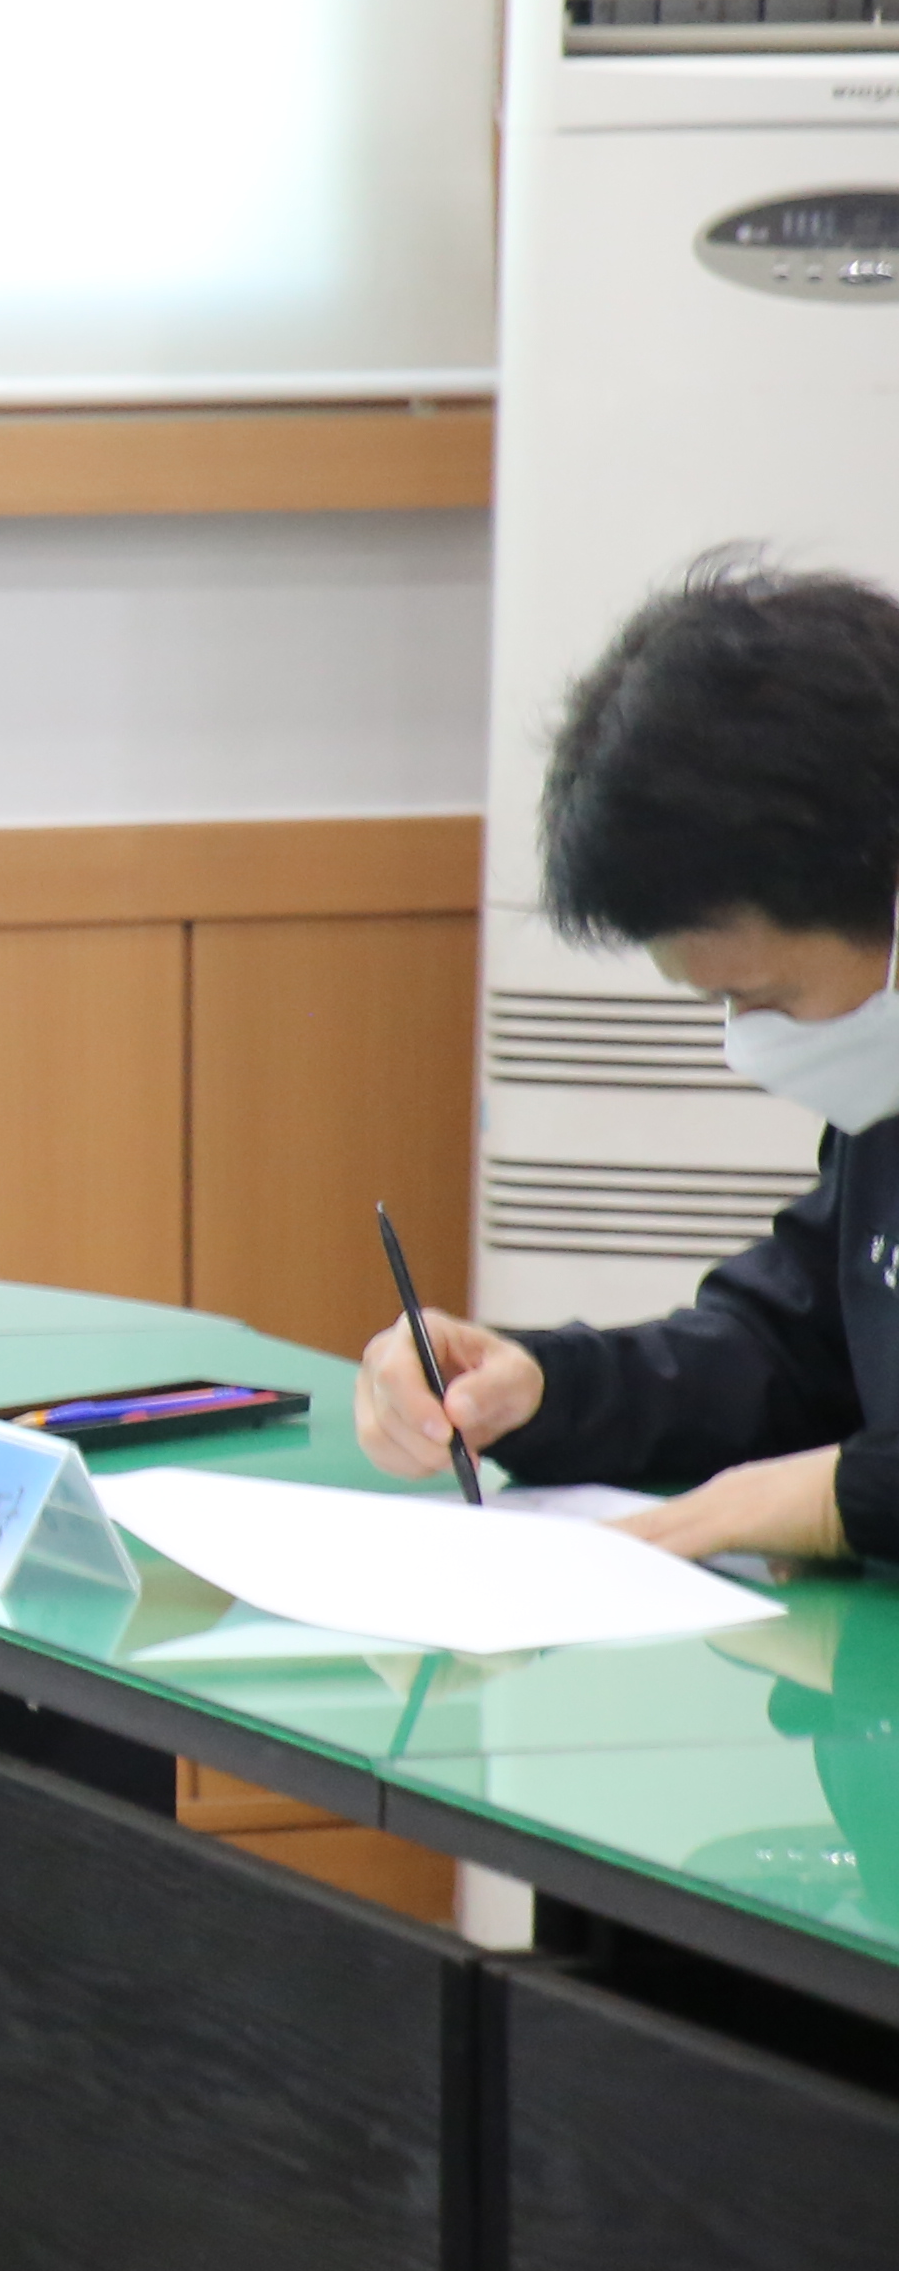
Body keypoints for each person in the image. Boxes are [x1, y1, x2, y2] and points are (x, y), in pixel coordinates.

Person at [360, 557, 899, 1561]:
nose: (751, 1042)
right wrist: (543, 1390)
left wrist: (842, 1499)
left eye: (770, 997)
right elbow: (792, 1354)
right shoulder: (883, 1109)